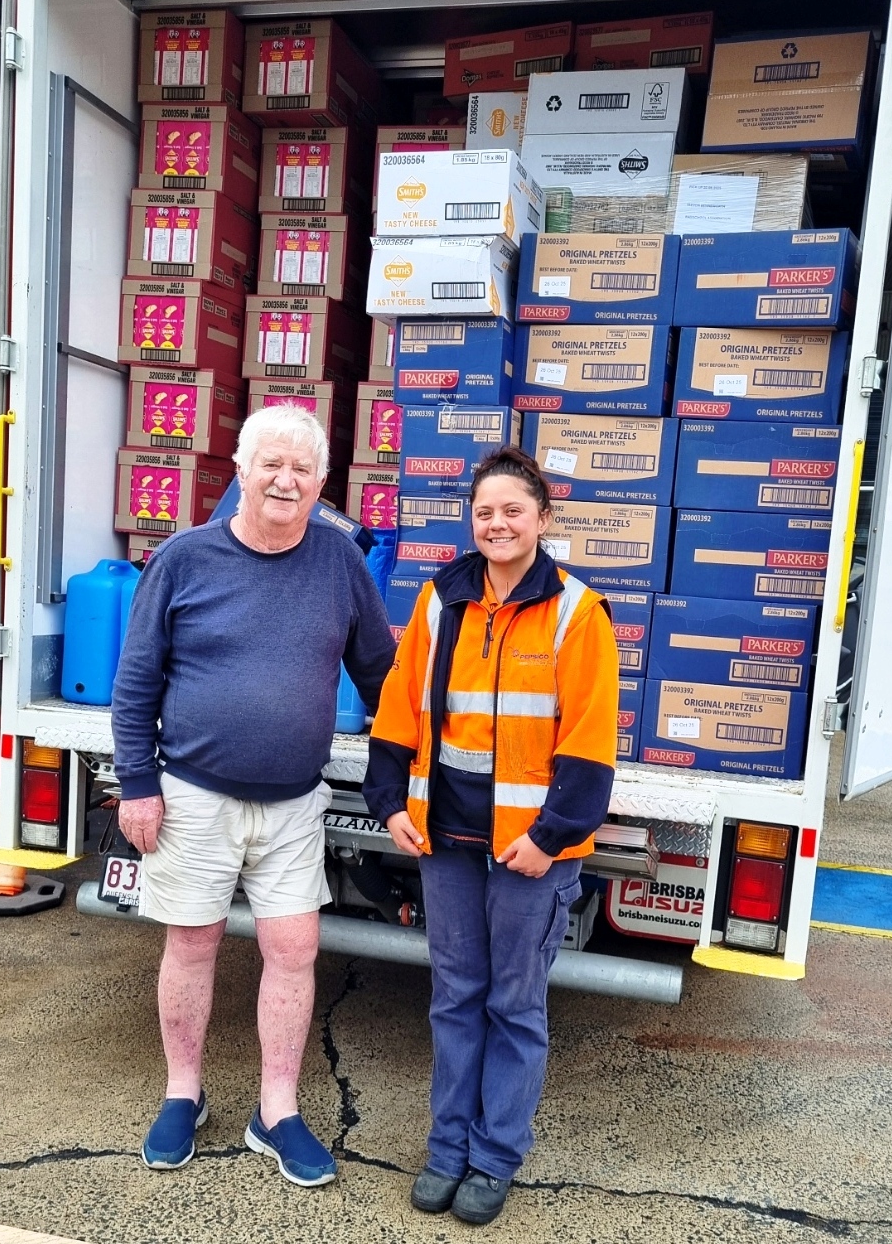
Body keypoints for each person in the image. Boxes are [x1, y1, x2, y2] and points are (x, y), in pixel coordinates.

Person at [112, 405, 395, 1186]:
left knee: (294, 952)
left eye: (302, 469)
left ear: (321, 483)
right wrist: (137, 784)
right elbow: (135, 682)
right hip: (192, 796)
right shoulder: (184, 559)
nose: (285, 480)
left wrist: (415, 764)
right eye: (271, 464)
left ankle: (276, 1112)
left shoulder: (340, 564)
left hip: (294, 803)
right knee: (191, 946)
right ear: (240, 471)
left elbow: (381, 676)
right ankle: (182, 1094)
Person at [362, 446, 619, 1225]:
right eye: (483, 512)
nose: (497, 524)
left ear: (543, 518)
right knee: (454, 997)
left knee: (514, 1003)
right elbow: (400, 703)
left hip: (528, 851)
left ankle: (494, 1156)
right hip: (445, 838)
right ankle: (446, 1149)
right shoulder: (440, 601)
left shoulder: (576, 612)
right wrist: (388, 800)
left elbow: (589, 740)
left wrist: (551, 836)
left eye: (513, 510)